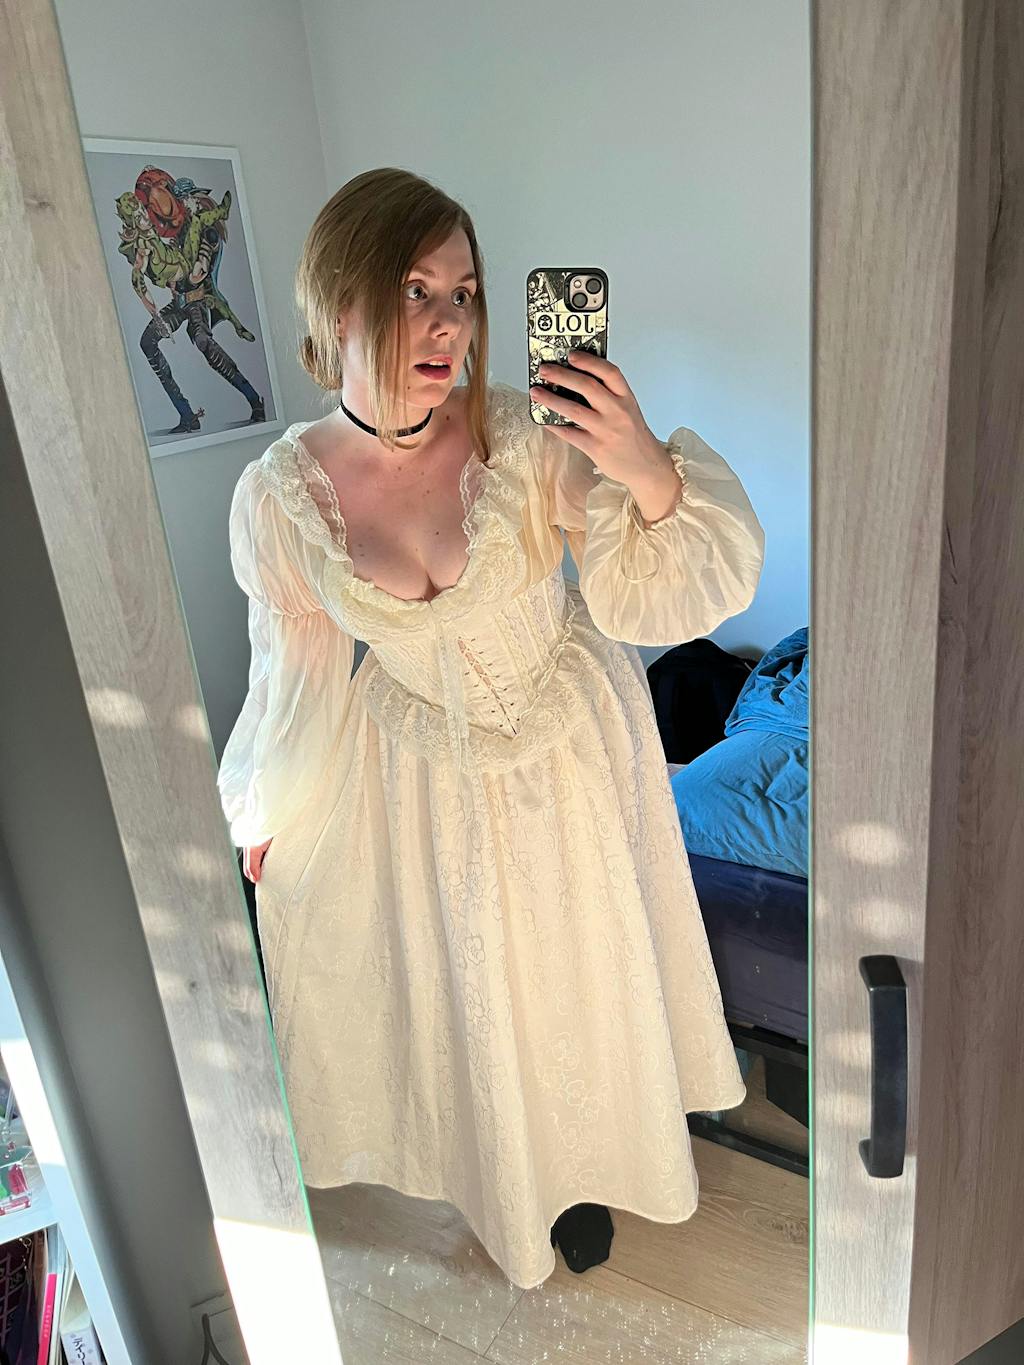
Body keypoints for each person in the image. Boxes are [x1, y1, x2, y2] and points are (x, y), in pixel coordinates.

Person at [216, 167, 766, 1291]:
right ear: (339, 305)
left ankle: (590, 1175)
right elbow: (295, 675)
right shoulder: (280, 496)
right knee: (476, 994)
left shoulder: (521, 432)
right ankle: (510, 1183)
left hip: (568, 744)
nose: (447, 325)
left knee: (581, 971)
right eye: (413, 290)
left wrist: (641, 463)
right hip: (420, 768)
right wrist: (269, 810)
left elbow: (664, 597)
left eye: (462, 294)